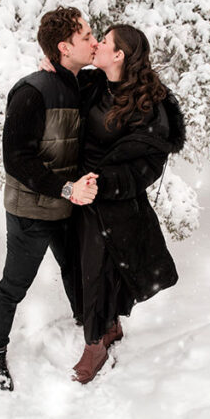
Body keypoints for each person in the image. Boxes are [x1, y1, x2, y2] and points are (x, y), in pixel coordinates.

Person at [0, 6, 100, 391]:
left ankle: (88, 328)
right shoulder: (31, 91)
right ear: (65, 47)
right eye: (86, 36)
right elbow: (16, 160)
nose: (94, 41)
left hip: (68, 205)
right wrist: (66, 188)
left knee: (75, 269)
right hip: (31, 210)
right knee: (14, 285)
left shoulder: (78, 83)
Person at [65, 24, 184, 384]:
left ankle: (95, 344)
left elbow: (148, 165)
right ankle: (110, 325)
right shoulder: (92, 83)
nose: (97, 44)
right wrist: (49, 66)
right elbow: (61, 81)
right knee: (90, 266)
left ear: (119, 55)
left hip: (116, 199)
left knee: (98, 269)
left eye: (105, 41)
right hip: (82, 193)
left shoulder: (150, 104)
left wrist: (106, 184)